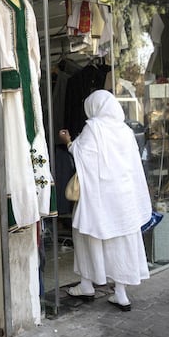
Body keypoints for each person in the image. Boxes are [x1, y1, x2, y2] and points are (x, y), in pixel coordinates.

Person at [58, 90, 152, 312]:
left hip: (99, 199)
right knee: (121, 243)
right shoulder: (126, 130)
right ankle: (121, 293)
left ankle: (87, 284)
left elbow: (83, 156)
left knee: (87, 237)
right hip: (124, 200)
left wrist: (68, 142)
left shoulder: (94, 128)